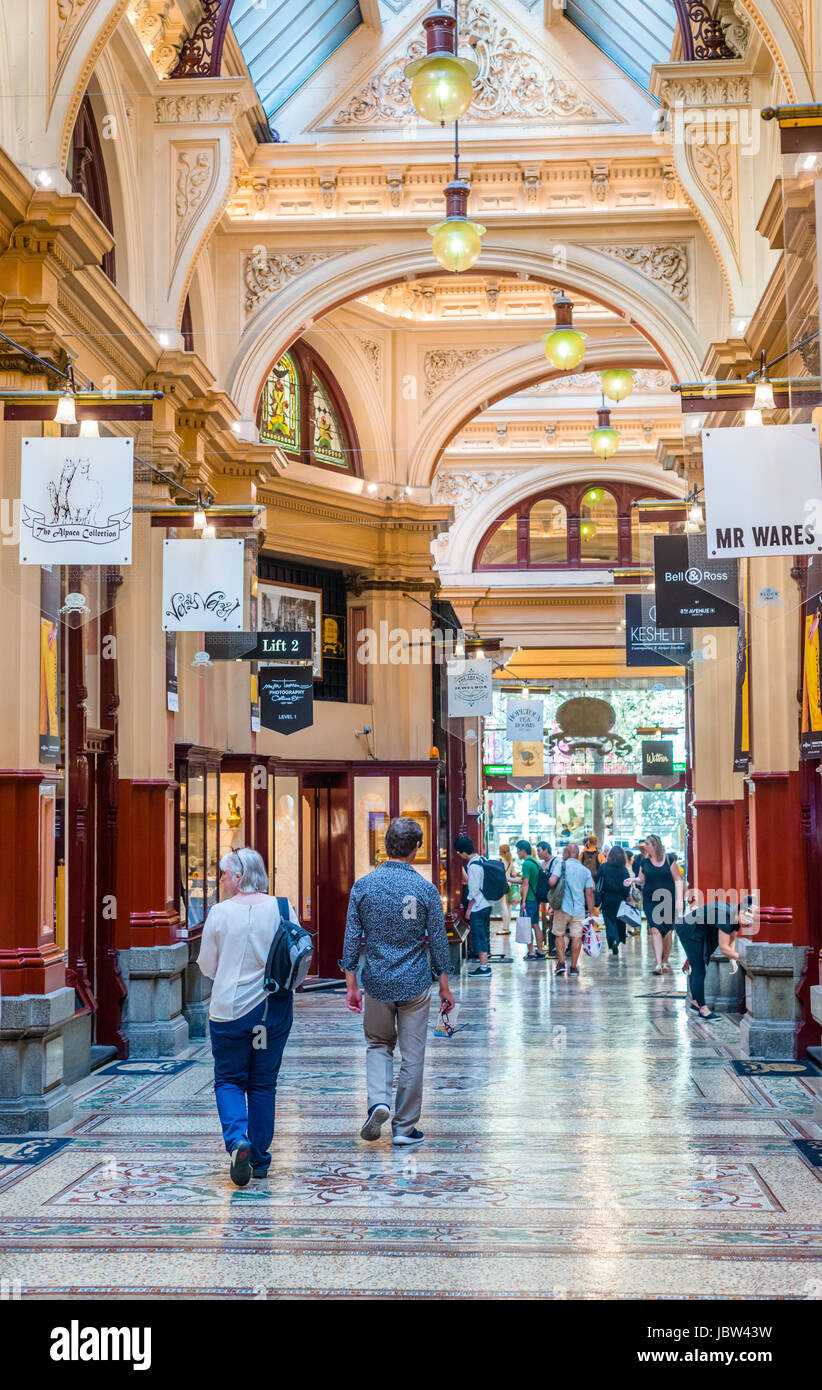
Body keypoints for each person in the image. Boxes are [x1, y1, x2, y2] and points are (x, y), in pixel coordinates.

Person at [343, 817, 454, 1147]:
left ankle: (378, 1100)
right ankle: (404, 1128)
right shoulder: (426, 890)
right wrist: (445, 986)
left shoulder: (364, 886)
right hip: (415, 983)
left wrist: (351, 983)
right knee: (413, 1054)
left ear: (385, 845)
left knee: (378, 1044)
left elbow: (351, 939)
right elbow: (437, 940)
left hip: (376, 981)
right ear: (417, 848)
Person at [198, 847, 299, 1188]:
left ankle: (236, 1140)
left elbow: (207, 966)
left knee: (228, 1080)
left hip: (228, 1012)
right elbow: (296, 960)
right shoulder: (282, 909)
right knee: (263, 1084)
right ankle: (258, 1157)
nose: (222, 880)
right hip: (271, 1013)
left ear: (239, 876)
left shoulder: (219, 913)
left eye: (225, 874)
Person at [676, 898, 755, 1020]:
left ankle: (696, 1003)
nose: (748, 920)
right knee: (699, 970)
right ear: (740, 911)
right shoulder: (726, 916)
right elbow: (724, 948)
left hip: (701, 931)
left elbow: (731, 940)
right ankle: (703, 1009)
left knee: (698, 965)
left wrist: (733, 960)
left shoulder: (735, 914)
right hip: (689, 930)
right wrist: (744, 959)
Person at [637, 834, 684, 974]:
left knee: (667, 931)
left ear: (654, 845)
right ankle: (658, 963)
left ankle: (665, 960)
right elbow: (641, 880)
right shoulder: (644, 863)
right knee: (655, 929)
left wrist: (680, 899)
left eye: (647, 844)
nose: (644, 846)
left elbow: (678, 879)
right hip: (650, 900)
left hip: (668, 899)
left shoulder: (669, 860)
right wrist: (632, 881)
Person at [548, 842, 596, 976]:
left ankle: (562, 962)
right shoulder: (585, 870)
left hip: (562, 907)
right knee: (576, 937)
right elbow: (589, 893)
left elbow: (552, 882)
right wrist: (591, 912)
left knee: (558, 934)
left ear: (567, 853)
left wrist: (552, 879)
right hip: (579, 909)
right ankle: (574, 967)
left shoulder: (561, 865)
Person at [454, 834, 494, 978]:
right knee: (484, 935)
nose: (459, 855)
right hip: (488, 903)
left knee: (479, 936)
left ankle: (484, 968)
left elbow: (473, 891)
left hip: (479, 906)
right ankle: (485, 965)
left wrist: (469, 909)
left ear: (464, 852)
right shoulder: (482, 859)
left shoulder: (473, 867)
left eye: (459, 852)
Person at [595, 845, 633, 957]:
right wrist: (627, 896)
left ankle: (613, 940)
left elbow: (596, 880)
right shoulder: (624, 869)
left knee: (609, 920)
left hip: (607, 897)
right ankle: (619, 939)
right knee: (620, 920)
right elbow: (627, 884)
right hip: (620, 898)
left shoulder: (604, 867)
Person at [516, 839, 546, 961]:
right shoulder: (535, 862)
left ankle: (531, 952)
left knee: (528, 926)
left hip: (529, 899)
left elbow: (526, 884)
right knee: (535, 925)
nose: (518, 853)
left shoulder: (526, 864)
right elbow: (525, 881)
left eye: (518, 851)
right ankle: (540, 950)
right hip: (536, 899)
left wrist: (523, 901)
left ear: (523, 851)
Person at [536, 840, 560, 957]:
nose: (538, 853)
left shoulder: (556, 862)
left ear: (546, 850)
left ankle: (556, 947)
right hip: (547, 898)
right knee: (551, 923)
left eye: (539, 850)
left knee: (556, 923)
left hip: (555, 898)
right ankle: (553, 947)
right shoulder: (541, 864)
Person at [498, 843, 519, 935]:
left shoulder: (499, 861)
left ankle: (505, 928)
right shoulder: (510, 862)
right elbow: (514, 874)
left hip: (501, 885)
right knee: (508, 907)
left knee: (503, 908)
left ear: (501, 851)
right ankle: (507, 927)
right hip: (509, 885)